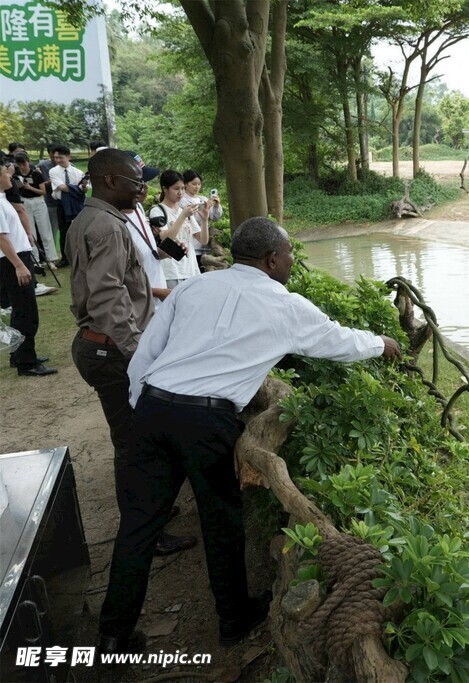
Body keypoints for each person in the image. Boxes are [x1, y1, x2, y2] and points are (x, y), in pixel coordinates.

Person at [98, 216, 402, 653]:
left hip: (152, 407)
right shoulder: (285, 305)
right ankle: (233, 619)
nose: (292, 261)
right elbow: (336, 340)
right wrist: (381, 343)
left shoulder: (194, 287)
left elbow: (147, 352)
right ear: (272, 259)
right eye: (290, 254)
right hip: (206, 422)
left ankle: (113, 634)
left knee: (138, 523)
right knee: (220, 521)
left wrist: (139, 406)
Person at [66, 148, 196, 563]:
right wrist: (138, 354)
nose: (142, 189)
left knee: (135, 439)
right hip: (110, 350)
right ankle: (144, 530)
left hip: (101, 345)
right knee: (134, 445)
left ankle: (148, 509)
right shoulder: (106, 226)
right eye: (135, 182)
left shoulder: (91, 219)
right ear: (109, 181)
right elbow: (107, 297)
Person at [0, 161, 56, 376]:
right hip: (12, 260)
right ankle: (26, 362)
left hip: (16, 257)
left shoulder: (4, 198)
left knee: (20, 310)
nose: (10, 176)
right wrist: (19, 265)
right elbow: (2, 238)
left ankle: (19, 355)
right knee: (26, 311)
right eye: (5, 173)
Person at [123, 155, 171, 306]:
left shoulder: (138, 207)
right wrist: (157, 292)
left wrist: (163, 252)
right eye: (140, 182)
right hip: (141, 304)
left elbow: (144, 251)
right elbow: (120, 277)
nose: (145, 188)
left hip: (156, 298)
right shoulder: (115, 219)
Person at [152, 170, 205, 288]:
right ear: (165, 189)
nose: (180, 192)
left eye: (183, 188)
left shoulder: (185, 211)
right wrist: (183, 216)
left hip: (191, 269)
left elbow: (202, 240)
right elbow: (166, 239)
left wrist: (205, 220)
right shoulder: (157, 211)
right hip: (172, 272)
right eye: (176, 189)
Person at [13, 151, 59, 270]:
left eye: (24, 164)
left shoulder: (36, 173)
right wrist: (18, 187)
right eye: (20, 165)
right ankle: (36, 261)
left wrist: (29, 187)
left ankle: (51, 259)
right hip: (24, 202)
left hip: (38, 201)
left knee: (45, 231)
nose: (23, 167)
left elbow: (43, 191)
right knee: (31, 232)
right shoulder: (16, 175)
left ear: (28, 162)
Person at [48, 144, 88, 266]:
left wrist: (83, 187)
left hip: (77, 203)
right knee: (64, 231)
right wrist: (78, 189)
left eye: (60, 157)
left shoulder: (78, 172)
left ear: (68, 157)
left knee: (80, 230)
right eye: (56, 158)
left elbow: (84, 189)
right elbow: (62, 187)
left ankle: (81, 256)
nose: (57, 160)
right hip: (62, 204)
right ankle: (65, 258)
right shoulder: (53, 171)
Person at [180, 170, 222, 272]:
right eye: (194, 184)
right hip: (189, 244)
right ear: (185, 184)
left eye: (199, 184)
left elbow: (215, 217)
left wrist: (216, 206)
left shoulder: (203, 199)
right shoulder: (181, 200)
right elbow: (187, 220)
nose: (197, 187)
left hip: (204, 246)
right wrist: (202, 213)